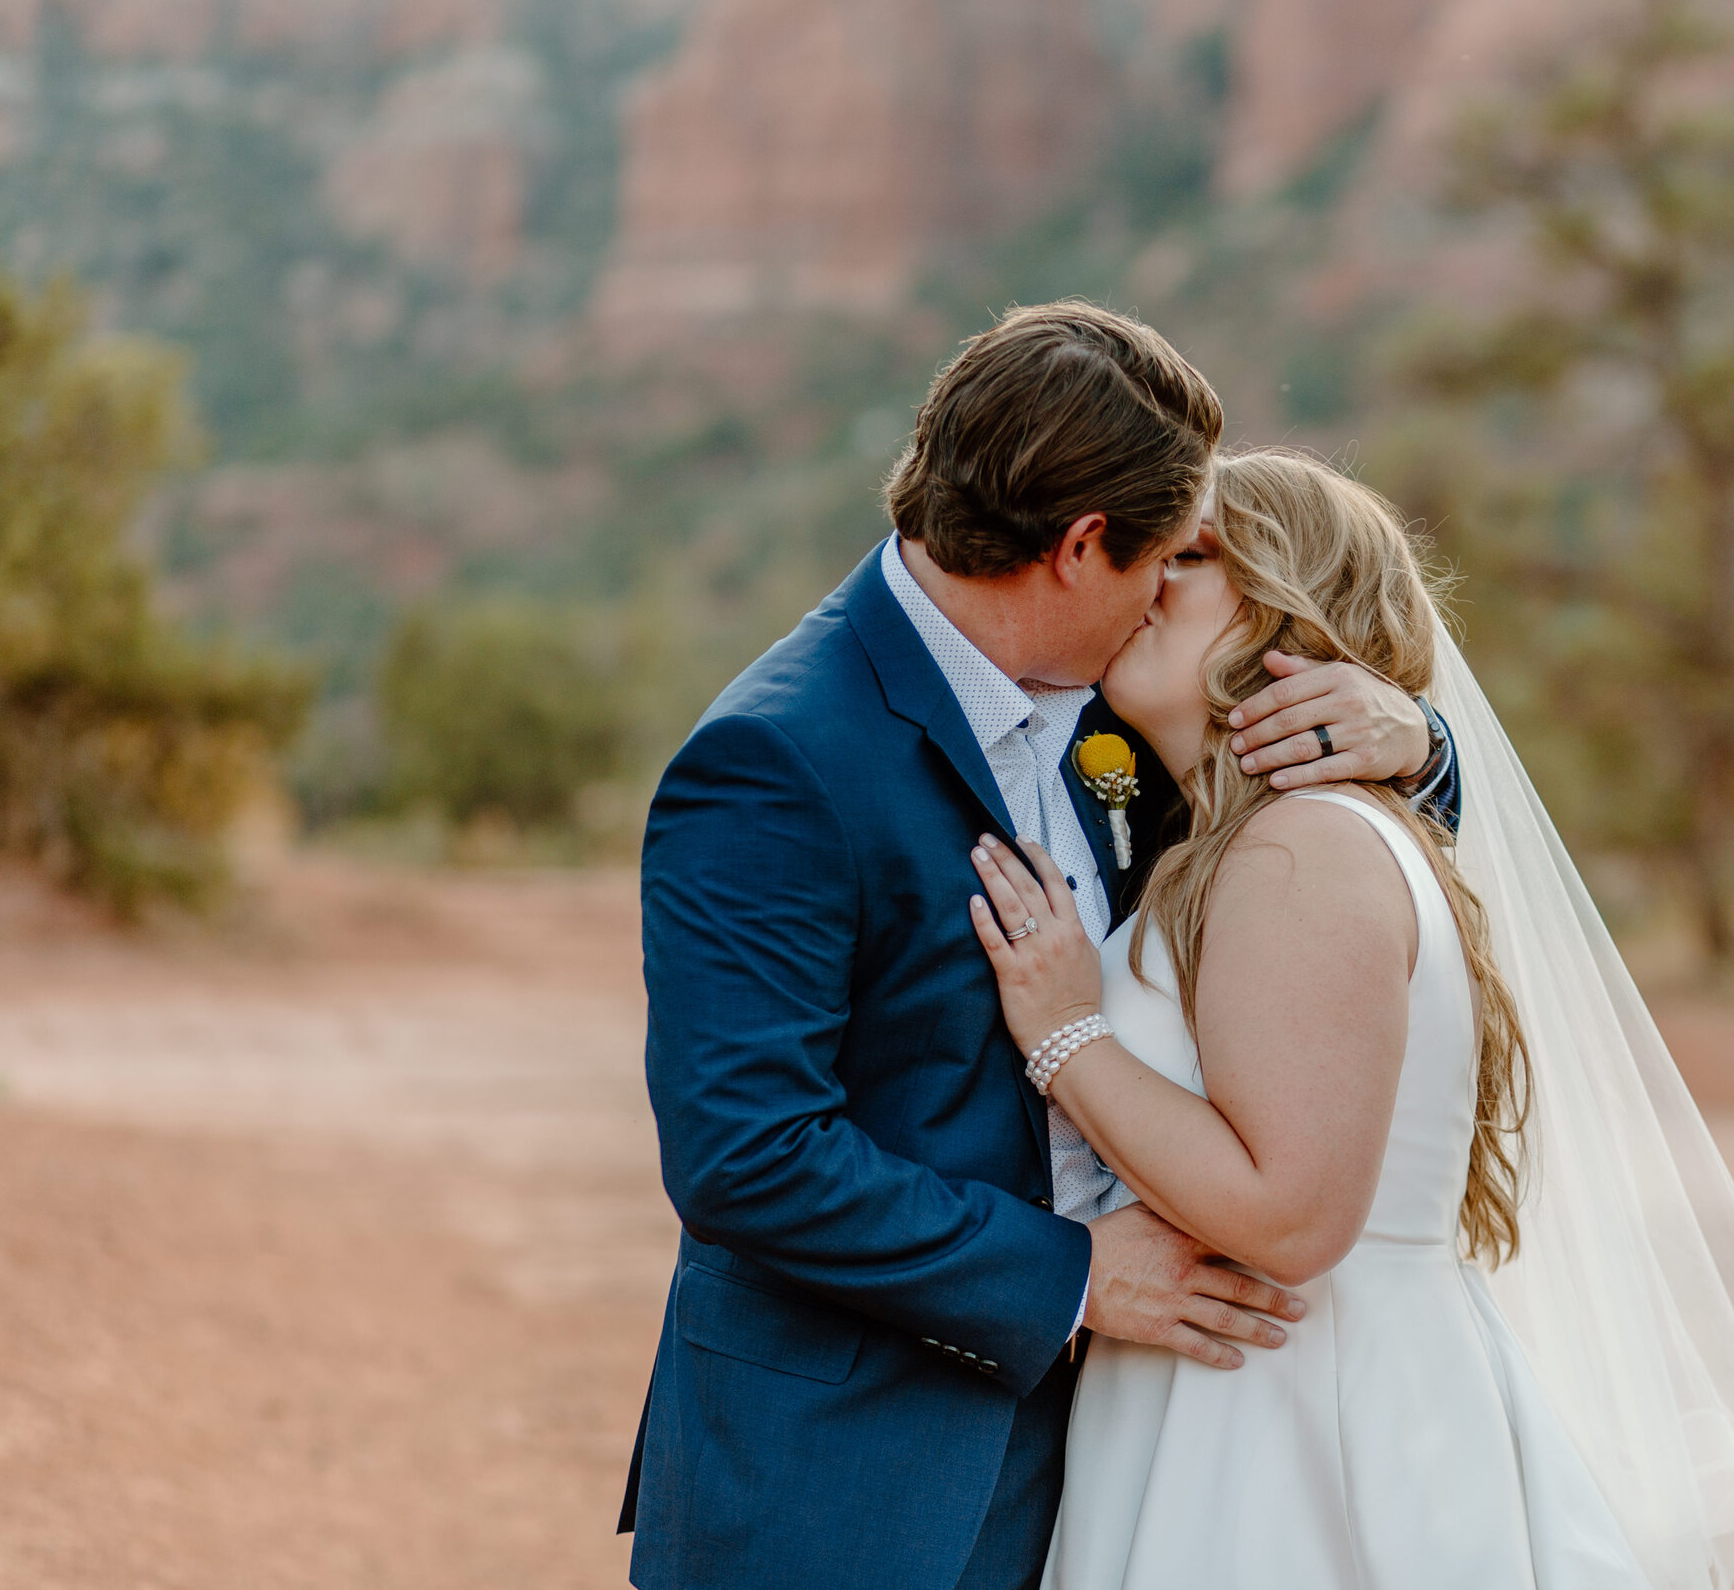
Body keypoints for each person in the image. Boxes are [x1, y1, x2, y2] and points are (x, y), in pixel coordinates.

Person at [618, 302, 1461, 1590]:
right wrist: (1070, 1279)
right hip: (851, 1478)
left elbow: (1324, 878)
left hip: (1129, 1461)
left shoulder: (1132, 706)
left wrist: (1418, 740)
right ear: (1080, 546)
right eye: (1168, 554)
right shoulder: (777, 760)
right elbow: (745, 1152)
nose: (1171, 590)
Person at [967, 450, 1734, 1590]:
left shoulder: (1300, 848)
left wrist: (1066, 1035)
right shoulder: (1232, 838)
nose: (1144, 577)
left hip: (1298, 1415)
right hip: (1239, 1383)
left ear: (1285, 621)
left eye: (1190, 557)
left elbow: (1289, 1217)